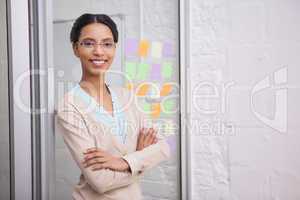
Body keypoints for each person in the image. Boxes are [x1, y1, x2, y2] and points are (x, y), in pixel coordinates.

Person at [56, 13, 171, 200]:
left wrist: (123, 162)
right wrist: (139, 158)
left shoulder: (126, 96)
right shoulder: (70, 107)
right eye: (88, 43)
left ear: (115, 49)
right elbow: (101, 181)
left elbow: (163, 147)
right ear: (76, 48)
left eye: (107, 44)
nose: (99, 52)